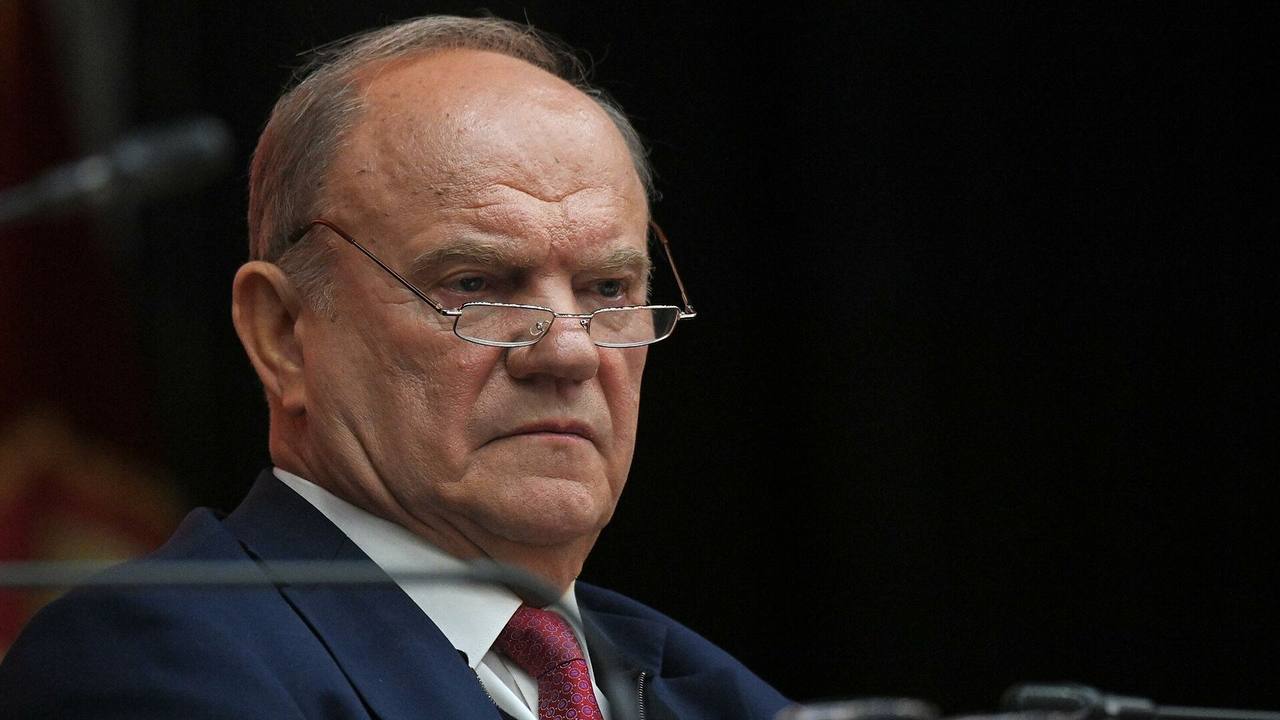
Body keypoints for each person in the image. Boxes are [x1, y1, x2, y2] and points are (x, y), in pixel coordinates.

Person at [0, 14, 790, 720]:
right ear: (282, 335)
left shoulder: (719, 696)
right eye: (475, 284)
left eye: (608, 289)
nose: (570, 351)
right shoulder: (150, 662)